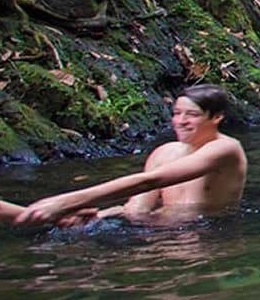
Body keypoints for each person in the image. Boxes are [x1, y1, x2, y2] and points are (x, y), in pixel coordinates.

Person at [15, 85, 248, 228]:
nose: (180, 122)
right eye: (177, 113)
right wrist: (98, 216)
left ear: (216, 118)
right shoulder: (164, 152)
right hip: (160, 231)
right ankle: (24, 215)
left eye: (192, 115)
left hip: (208, 237)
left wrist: (66, 201)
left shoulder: (226, 149)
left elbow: (152, 180)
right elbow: (137, 210)